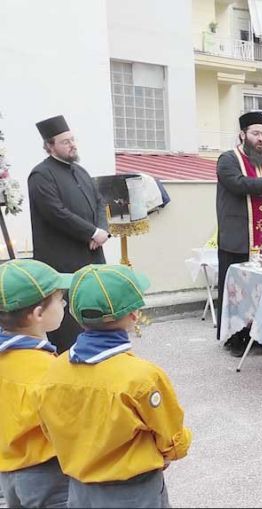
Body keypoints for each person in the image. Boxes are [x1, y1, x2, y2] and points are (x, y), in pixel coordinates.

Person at [37, 264, 192, 509]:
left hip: (80, 488)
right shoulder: (142, 376)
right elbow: (171, 435)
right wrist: (172, 451)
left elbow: (49, 428)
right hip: (134, 490)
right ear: (133, 315)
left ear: (76, 316)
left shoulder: (53, 369)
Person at [28, 115, 108, 353]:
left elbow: (98, 202)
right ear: (49, 146)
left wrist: (101, 231)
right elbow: (55, 212)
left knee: (95, 307)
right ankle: (67, 359)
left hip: (92, 255)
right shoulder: (41, 175)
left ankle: (96, 352)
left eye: (72, 139)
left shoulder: (81, 171)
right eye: (65, 142)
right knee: (67, 321)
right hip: (62, 259)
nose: (72, 144)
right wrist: (91, 232)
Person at [215, 111, 262, 355]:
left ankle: (259, 335)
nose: (260, 138)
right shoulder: (227, 159)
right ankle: (235, 337)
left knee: (261, 291)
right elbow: (238, 184)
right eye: (255, 133)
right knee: (237, 291)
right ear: (242, 134)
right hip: (239, 237)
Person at [0, 260, 71, 508]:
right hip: (48, 475)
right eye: (60, 299)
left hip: (8, 469)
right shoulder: (49, 369)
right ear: (38, 314)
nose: (64, 304)